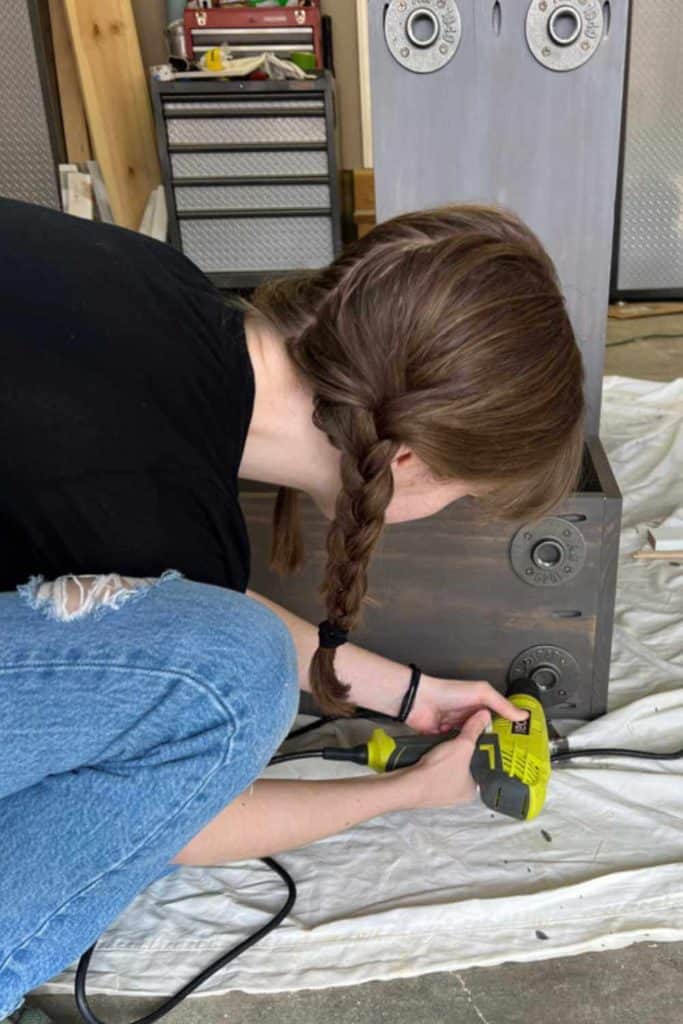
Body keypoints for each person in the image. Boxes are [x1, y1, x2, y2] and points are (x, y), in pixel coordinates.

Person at [0, 196, 584, 1014]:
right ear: (407, 459)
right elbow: (172, 824)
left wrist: (408, 694)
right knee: (238, 679)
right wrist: (403, 795)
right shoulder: (139, 488)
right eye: (462, 496)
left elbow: (142, 611)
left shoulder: (162, 289)